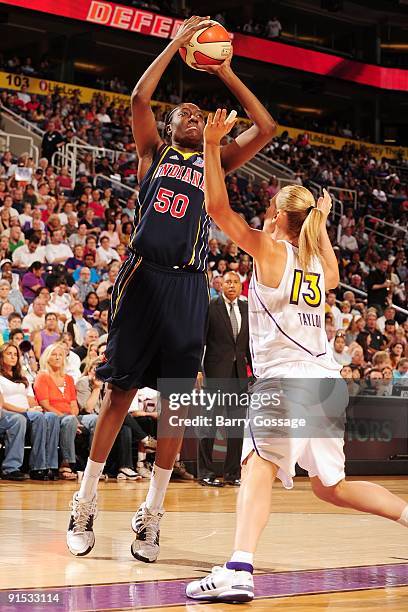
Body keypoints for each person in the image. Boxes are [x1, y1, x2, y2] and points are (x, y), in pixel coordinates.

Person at [66, 15, 276, 562]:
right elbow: (139, 96)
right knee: (119, 393)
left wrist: (226, 72)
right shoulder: (151, 153)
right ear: (169, 123)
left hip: (188, 285)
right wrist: (176, 44)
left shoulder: (216, 161)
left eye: (198, 114)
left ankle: (152, 514)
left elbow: (267, 126)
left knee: (177, 407)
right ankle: (84, 498)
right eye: (184, 112)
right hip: (142, 277)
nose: (192, 116)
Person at [185, 109, 408, 603]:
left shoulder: (271, 250)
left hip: (284, 381)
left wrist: (211, 147)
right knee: (332, 486)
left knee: (257, 466)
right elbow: (330, 269)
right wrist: (321, 225)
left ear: (280, 216)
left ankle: (239, 567)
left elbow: (218, 209)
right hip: (325, 385)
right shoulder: (316, 264)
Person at [198, 271, 250, 487]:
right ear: (220, 285)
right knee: (209, 425)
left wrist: (255, 372)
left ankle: (232, 473)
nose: (232, 285)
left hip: (239, 376)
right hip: (214, 375)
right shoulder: (211, 307)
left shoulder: (247, 309)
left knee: (236, 427)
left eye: (236, 282)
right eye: (228, 282)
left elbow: (250, 345)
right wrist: (199, 369)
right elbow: (200, 340)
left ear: (240, 286)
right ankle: (206, 473)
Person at [0, 342, 59, 480]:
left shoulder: (22, 377)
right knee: (36, 417)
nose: (13, 357)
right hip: (10, 413)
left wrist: (36, 408)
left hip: (28, 412)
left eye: (15, 354)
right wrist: (27, 410)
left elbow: (30, 397)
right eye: (9, 354)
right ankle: (33, 467)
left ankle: (48, 466)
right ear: (1, 357)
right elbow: (3, 404)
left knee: (51, 416)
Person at [34, 343, 80, 480]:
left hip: (72, 416)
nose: (58, 357)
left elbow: (73, 403)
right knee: (69, 421)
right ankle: (66, 463)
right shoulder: (43, 376)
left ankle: (96, 465)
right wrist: (71, 419)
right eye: (54, 354)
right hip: (53, 416)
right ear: (47, 358)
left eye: (60, 355)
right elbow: (45, 404)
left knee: (95, 420)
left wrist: (74, 417)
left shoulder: (69, 379)